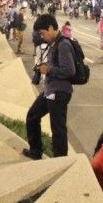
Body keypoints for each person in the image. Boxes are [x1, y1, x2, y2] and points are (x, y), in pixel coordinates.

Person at [22, 14, 76, 159]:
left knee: (57, 128)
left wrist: (49, 70)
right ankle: (35, 151)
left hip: (59, 92)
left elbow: (69, 70)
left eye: (43, 33)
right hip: (50, 90)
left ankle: (60, 161)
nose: (42, 36)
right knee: (33, 115)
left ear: (51, 28)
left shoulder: (63, 44)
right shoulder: (54, 43)